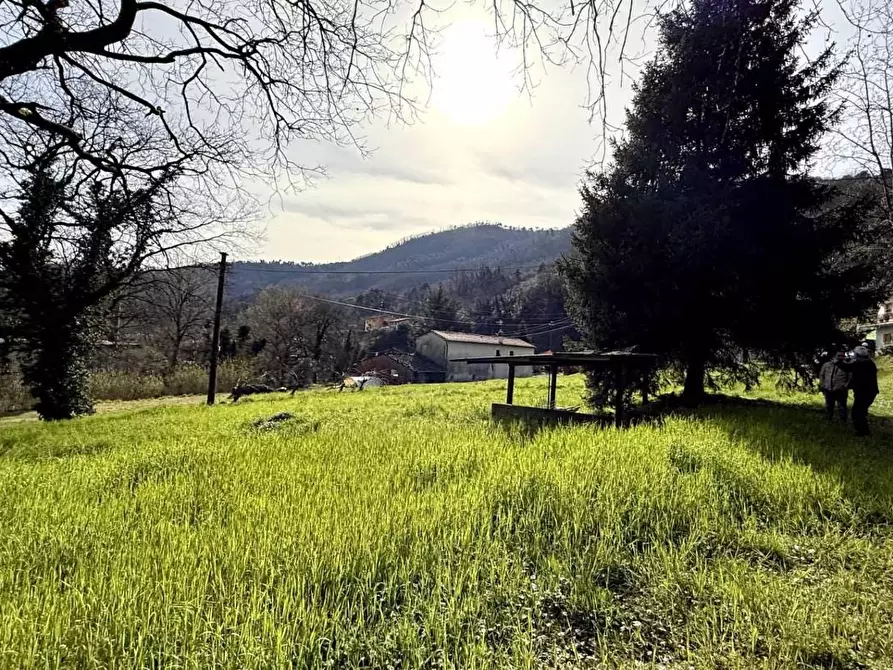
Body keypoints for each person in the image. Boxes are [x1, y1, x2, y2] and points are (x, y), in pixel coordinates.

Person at [841, 346, 879, 436]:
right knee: (861, 411)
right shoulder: (869, 363)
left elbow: (847, 367)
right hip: (869, 391)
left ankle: (863, 432)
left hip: (864, 392)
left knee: (857, 412)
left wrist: (839, 361)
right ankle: (863, 431)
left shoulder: (861, 363)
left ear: (858, 354)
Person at [819, 349, 850, 422]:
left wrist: (846, 385)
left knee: (842, 407)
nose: (840, 357)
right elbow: (822, 375)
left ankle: (843, 422)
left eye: (842, 356)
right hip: (828, 389)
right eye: (839, 355)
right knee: (829, 406)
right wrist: (823, 385)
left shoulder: (847, 366)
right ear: (834, 356)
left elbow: (850, 377)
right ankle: (828, 420)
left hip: (841, 390)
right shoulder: (827, 365)